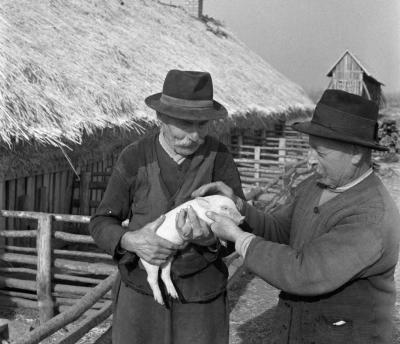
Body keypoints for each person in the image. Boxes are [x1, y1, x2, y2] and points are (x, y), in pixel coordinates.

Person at [196, 89, 400, 344]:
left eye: (321, 153)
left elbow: (304, 272)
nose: (311, 160)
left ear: (356, 153)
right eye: (310, 149)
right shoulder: (316, 185)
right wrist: (237, 205)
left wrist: (238, 238)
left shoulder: (371, 216)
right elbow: (279, 229)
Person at [89, 70, 244, 344]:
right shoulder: (135, 157)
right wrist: (131, 240)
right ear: (161, 118)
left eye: (203, 125)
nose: (194, 136)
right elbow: (102, 222)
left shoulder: (219, 158)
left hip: (200, 300)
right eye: (185, 124)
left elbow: (239, 227)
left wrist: (210, 239)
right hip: (140, 298)